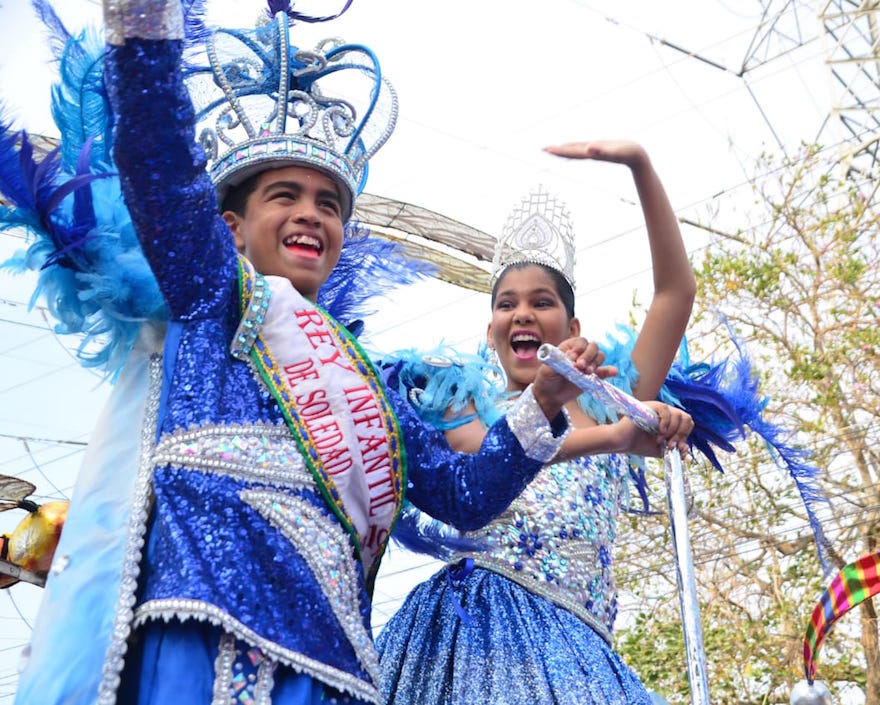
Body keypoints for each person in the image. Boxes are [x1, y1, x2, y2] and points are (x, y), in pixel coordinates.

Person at [7, 4, 606, 704]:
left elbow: (462, 496)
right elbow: (158, 159)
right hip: (208, 625)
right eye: (283, 195)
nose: (310, 214)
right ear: (228, 227)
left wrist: (543, 404)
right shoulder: (213, 295)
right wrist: (144, 23)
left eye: (329, 203)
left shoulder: (375, 387)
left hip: (335, 668)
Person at [376, 141, 698, 704]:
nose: (523, 313)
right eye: (507, 304)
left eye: (541, 302)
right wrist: (620, 436)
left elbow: (676, 293)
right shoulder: (461, 396)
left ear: (570, 323)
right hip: (478, 626)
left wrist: (640, 165)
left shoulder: (606, 400)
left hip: (581, 646)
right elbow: (480, 464)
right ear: (490, 330)